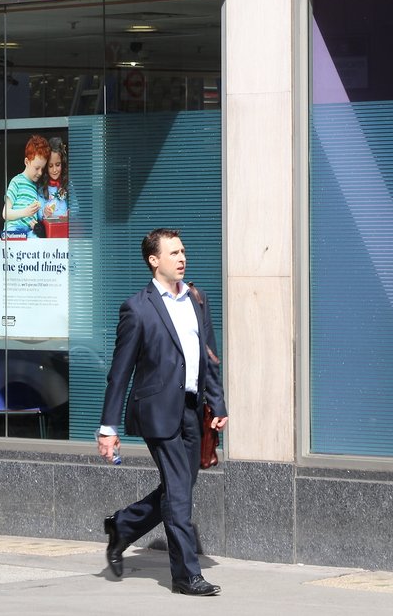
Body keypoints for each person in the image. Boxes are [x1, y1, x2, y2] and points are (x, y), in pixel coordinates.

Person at [98, 228, 227, 596]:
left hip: (192, 409)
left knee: (178, 489)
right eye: (173, 253)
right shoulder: (137, 308)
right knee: (180, 496)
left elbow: (209, 358)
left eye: (183, 251)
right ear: (154, 261)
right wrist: (108, 427)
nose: (182, 258)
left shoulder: (197, 299)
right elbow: (119, 372)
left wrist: (217, 403)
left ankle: (122, 526)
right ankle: (187, 575)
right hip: (158, 412)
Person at [1, 134, 49, 238]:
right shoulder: (16, 181)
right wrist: (26, 212)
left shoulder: (36, 186)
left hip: (29, 231)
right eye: (37, 168)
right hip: (14, 229)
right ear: (27, 162)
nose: (40, 172)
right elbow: (5, 214)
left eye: (42, 168)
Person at [36, 137, 69, 237]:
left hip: (65, 229)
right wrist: (44, 212)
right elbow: (39, 211)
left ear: (62, 163)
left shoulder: (67, 184)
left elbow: (75, 206)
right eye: (50, 166)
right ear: (46, 167)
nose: (54, 170)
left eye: (58, 165)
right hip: (49, 231)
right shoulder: (42, 187)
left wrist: (70, 213)